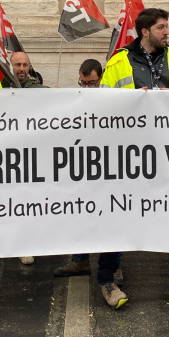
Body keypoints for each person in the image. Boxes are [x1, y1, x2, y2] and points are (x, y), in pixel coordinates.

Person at [98, 7, 169, 311]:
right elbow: (103, 105)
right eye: (162, 27)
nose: (167, 32)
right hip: (128, 156)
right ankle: (107, 281)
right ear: (144, 31)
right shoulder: (118, 63)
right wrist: (131, 101)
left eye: (166, 26)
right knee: (119, 216)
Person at [54, 59, 116, 279]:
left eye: (91, 82)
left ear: (101, 77)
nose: (87, 87)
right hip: (84, 168)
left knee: (110, 216)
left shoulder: (113, 98)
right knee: (80, 213)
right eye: (83, 82)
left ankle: (113, 266)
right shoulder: (76, 98)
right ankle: (80, 261)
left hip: (109, 168)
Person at [0, 50, 44, 264]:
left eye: (25, 65)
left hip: (28, 155)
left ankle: (24, 244)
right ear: (9, 66)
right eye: (17, 65)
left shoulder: (36, 89)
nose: (22, 69)